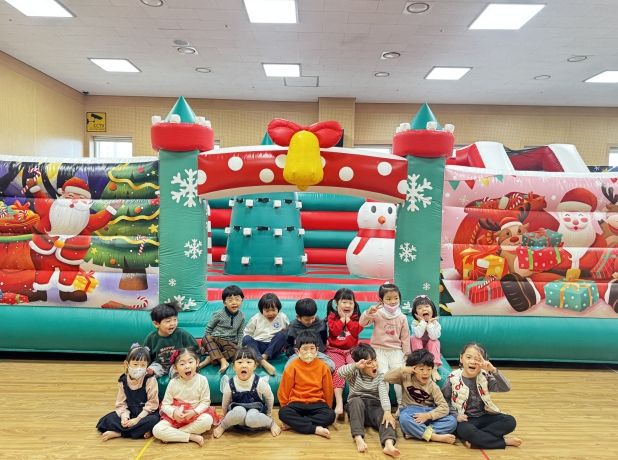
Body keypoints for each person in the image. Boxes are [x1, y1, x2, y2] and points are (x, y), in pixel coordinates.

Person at [26, 176, 122, 302]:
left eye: (81, 198)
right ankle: (40, 291)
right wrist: (35, 189)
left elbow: (99, 220)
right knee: (43, 269)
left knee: (69, 272)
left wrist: (110, 210)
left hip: (71, 252)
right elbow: (41, 201)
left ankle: (66, 292)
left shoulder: (85, 218)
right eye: (70, 196)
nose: (74, 201)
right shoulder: (51, 208)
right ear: (62, 195)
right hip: (46, 247)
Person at [442, 343, 522, 449]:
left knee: (510, 421)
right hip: (465, 420)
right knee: (466, 431)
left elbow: (505, 387)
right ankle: (503, 442)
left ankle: (476, 440)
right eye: (468, 357)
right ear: (461, 358)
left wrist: (493, 370)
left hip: (484, 416)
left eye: (477, 359)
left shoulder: (485, 376)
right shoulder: (453, 378)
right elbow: (444, 401)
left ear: (483, 362)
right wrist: (456, 415)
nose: (472, 361)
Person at [337, 343, 399, 457]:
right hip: (357, 406)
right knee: (355, 401)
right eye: (369, 362)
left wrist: (387, 411)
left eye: (375, 360)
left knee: (386, 417)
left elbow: (383, 394)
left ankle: (388, 444)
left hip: (374, 406)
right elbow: (340, 372)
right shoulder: (354, 373)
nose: (374, 364)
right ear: (361, 364)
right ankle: (358, 437)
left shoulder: (380, 375)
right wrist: (355, 366)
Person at [385, 349, 456, 443]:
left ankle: (415, 432)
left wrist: (428, 415)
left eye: (429, 369)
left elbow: (444, 407)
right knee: (404, 418)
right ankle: (433, 436)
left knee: (452, 421)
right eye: (421, 369)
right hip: (410, 412)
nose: (425, 373)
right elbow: (386, 377)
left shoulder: (433, 386)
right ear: (413, 369)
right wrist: (404, 369)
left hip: (428, 413)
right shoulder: (406, 377)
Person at [359, 283, 410, 413]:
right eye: (388, 299)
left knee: (400, 376)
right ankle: (384, 407)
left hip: (395, 351)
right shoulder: (377, 313)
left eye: (396, 298)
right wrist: (368, 313)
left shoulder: (402, 317)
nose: (393, 301)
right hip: (378, 350)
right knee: (383, 377)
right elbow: (362, 323)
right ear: (381, 300)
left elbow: (405, 337)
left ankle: (401, 405)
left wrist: (407, 354)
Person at [152, 348, 218, 446]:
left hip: (195, 415)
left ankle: (174, 435)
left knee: (207, 420)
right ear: (175, 367)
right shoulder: (173, 383)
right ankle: (191, 436)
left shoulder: (202, 380)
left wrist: (194, 412)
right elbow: (165, 405)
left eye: (190, 362)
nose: (187, 366)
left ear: (197, 362)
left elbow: (205, 402)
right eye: (182, 364)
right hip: (176, 418)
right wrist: (174, 413)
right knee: (156, 430)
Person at [277, 331, 336, 438]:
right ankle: (315, 429)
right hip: (297, 403)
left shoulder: (323, 367)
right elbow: (284, 390)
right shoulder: (292, 366)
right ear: (297, 351)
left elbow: (328, 390)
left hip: (317, 403)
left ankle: (295, 424)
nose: (309, 352)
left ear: (317, 350)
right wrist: (284, 406)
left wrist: (328, 407)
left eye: (312, 348)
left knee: (330, 416)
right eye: (305, 349)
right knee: (283, 413)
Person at [96, 344, 160, 441]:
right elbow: (121, 403)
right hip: (131, 412)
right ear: (127, 364)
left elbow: (152, 403)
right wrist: (124, 417)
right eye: (135, 364)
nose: (139, 368)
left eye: (143, 365)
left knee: (154, 421)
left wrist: (137, 419)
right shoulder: (123, 381)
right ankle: (139, 431)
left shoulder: (150, 380)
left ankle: (119, 433)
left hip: (146, 414)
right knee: (105, 421)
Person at [213, 347, 281, 438]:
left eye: (248, 362)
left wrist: (268, 415)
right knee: (239, 412)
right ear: (233, 367)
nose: (244, 365)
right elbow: (225, 402)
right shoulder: (230, 384)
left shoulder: (260, 382)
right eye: (240, 362)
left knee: (251, 417)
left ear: (255, 366)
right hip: (238, 419)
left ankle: (271, 424)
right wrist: (227, 418)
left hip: (255, 416)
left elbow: (269, 397)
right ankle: (223, 426)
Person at [325, 288, 363, 419]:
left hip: (352, 350)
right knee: (338, 370)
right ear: (336, 303)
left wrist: (349, 320)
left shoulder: (356, 317)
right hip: (334, 350)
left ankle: (352, 401)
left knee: (356, 369)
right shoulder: (331, 316)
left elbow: (356, 332)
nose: (347, 305)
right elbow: (334, 332)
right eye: (344, 302)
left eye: (350, 303)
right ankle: (339, 402)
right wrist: (342, 319)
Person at [143, 302, 199, 377]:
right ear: (156, 324)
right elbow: (145, 355)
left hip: (178, 363)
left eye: (175, 320)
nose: (172, 323)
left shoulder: (182, 334)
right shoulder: (151, 337)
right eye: (168, 321)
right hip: (159, 364)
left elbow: (195, 348)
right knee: (147, 372)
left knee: (180, 373)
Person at [200, 285, 246, 373]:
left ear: (242, 301)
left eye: (237, 299)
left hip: (230, 343)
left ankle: (210, 359)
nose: (234, 302)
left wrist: (239, 347)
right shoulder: (218, 314)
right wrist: (204, 346)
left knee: (238, 352)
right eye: (230, 300)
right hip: (216, 340)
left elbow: (240, 333)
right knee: (206, 338)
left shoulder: (242, 317)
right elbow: (209, 328)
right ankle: (223, 361)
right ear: (225, 303)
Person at [242, 292, 289, 376]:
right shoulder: (256, 318)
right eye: (267, 311)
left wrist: (286, 345)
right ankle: (263, 361)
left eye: (273, 310)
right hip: (258, 348)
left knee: (283, 334)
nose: (270, 313)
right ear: (261, 310)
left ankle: (263, 357)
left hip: (274, 348)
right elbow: (247, 333)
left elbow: (288, 332)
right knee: (246, 338)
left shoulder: (282, 317)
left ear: (278, 309)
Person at [285, 298, 335, 371]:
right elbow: (290, 343)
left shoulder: (320, 324)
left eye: (313, 318)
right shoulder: (293, 326)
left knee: (331, 365)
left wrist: (315, 353)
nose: (311, 321)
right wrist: (298, 354)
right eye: (307, 320)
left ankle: (312, 371)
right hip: (299, 354)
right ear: (298, 317)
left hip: (316, 353)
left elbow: (323, 341)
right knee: (288, 368)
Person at [410, 295, 442, 381]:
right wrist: (423, 322)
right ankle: (419, 364)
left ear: (432, 309)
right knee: (414, 338)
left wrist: (430, 324)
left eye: (427, 306)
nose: (424, 309)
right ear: (416, 313)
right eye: (419, 308)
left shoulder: (435, 323)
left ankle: (434, 368)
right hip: (419, 352)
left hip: (430, 351)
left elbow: (434, 336)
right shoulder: (415, 323)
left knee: (434, 341)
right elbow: (418, 335)